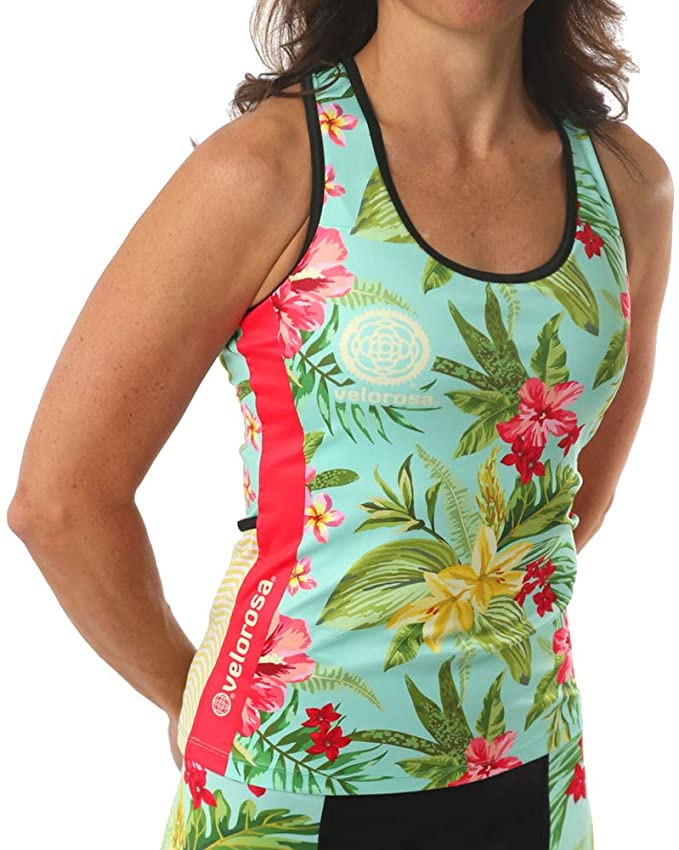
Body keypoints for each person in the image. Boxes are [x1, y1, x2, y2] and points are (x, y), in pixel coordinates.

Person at [7, 1, 673, 848]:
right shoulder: (266, 169)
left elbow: (573, 499)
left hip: (535, 763)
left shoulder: (625, 184)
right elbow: (60, 504)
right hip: (286, 780)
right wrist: (195, 699)